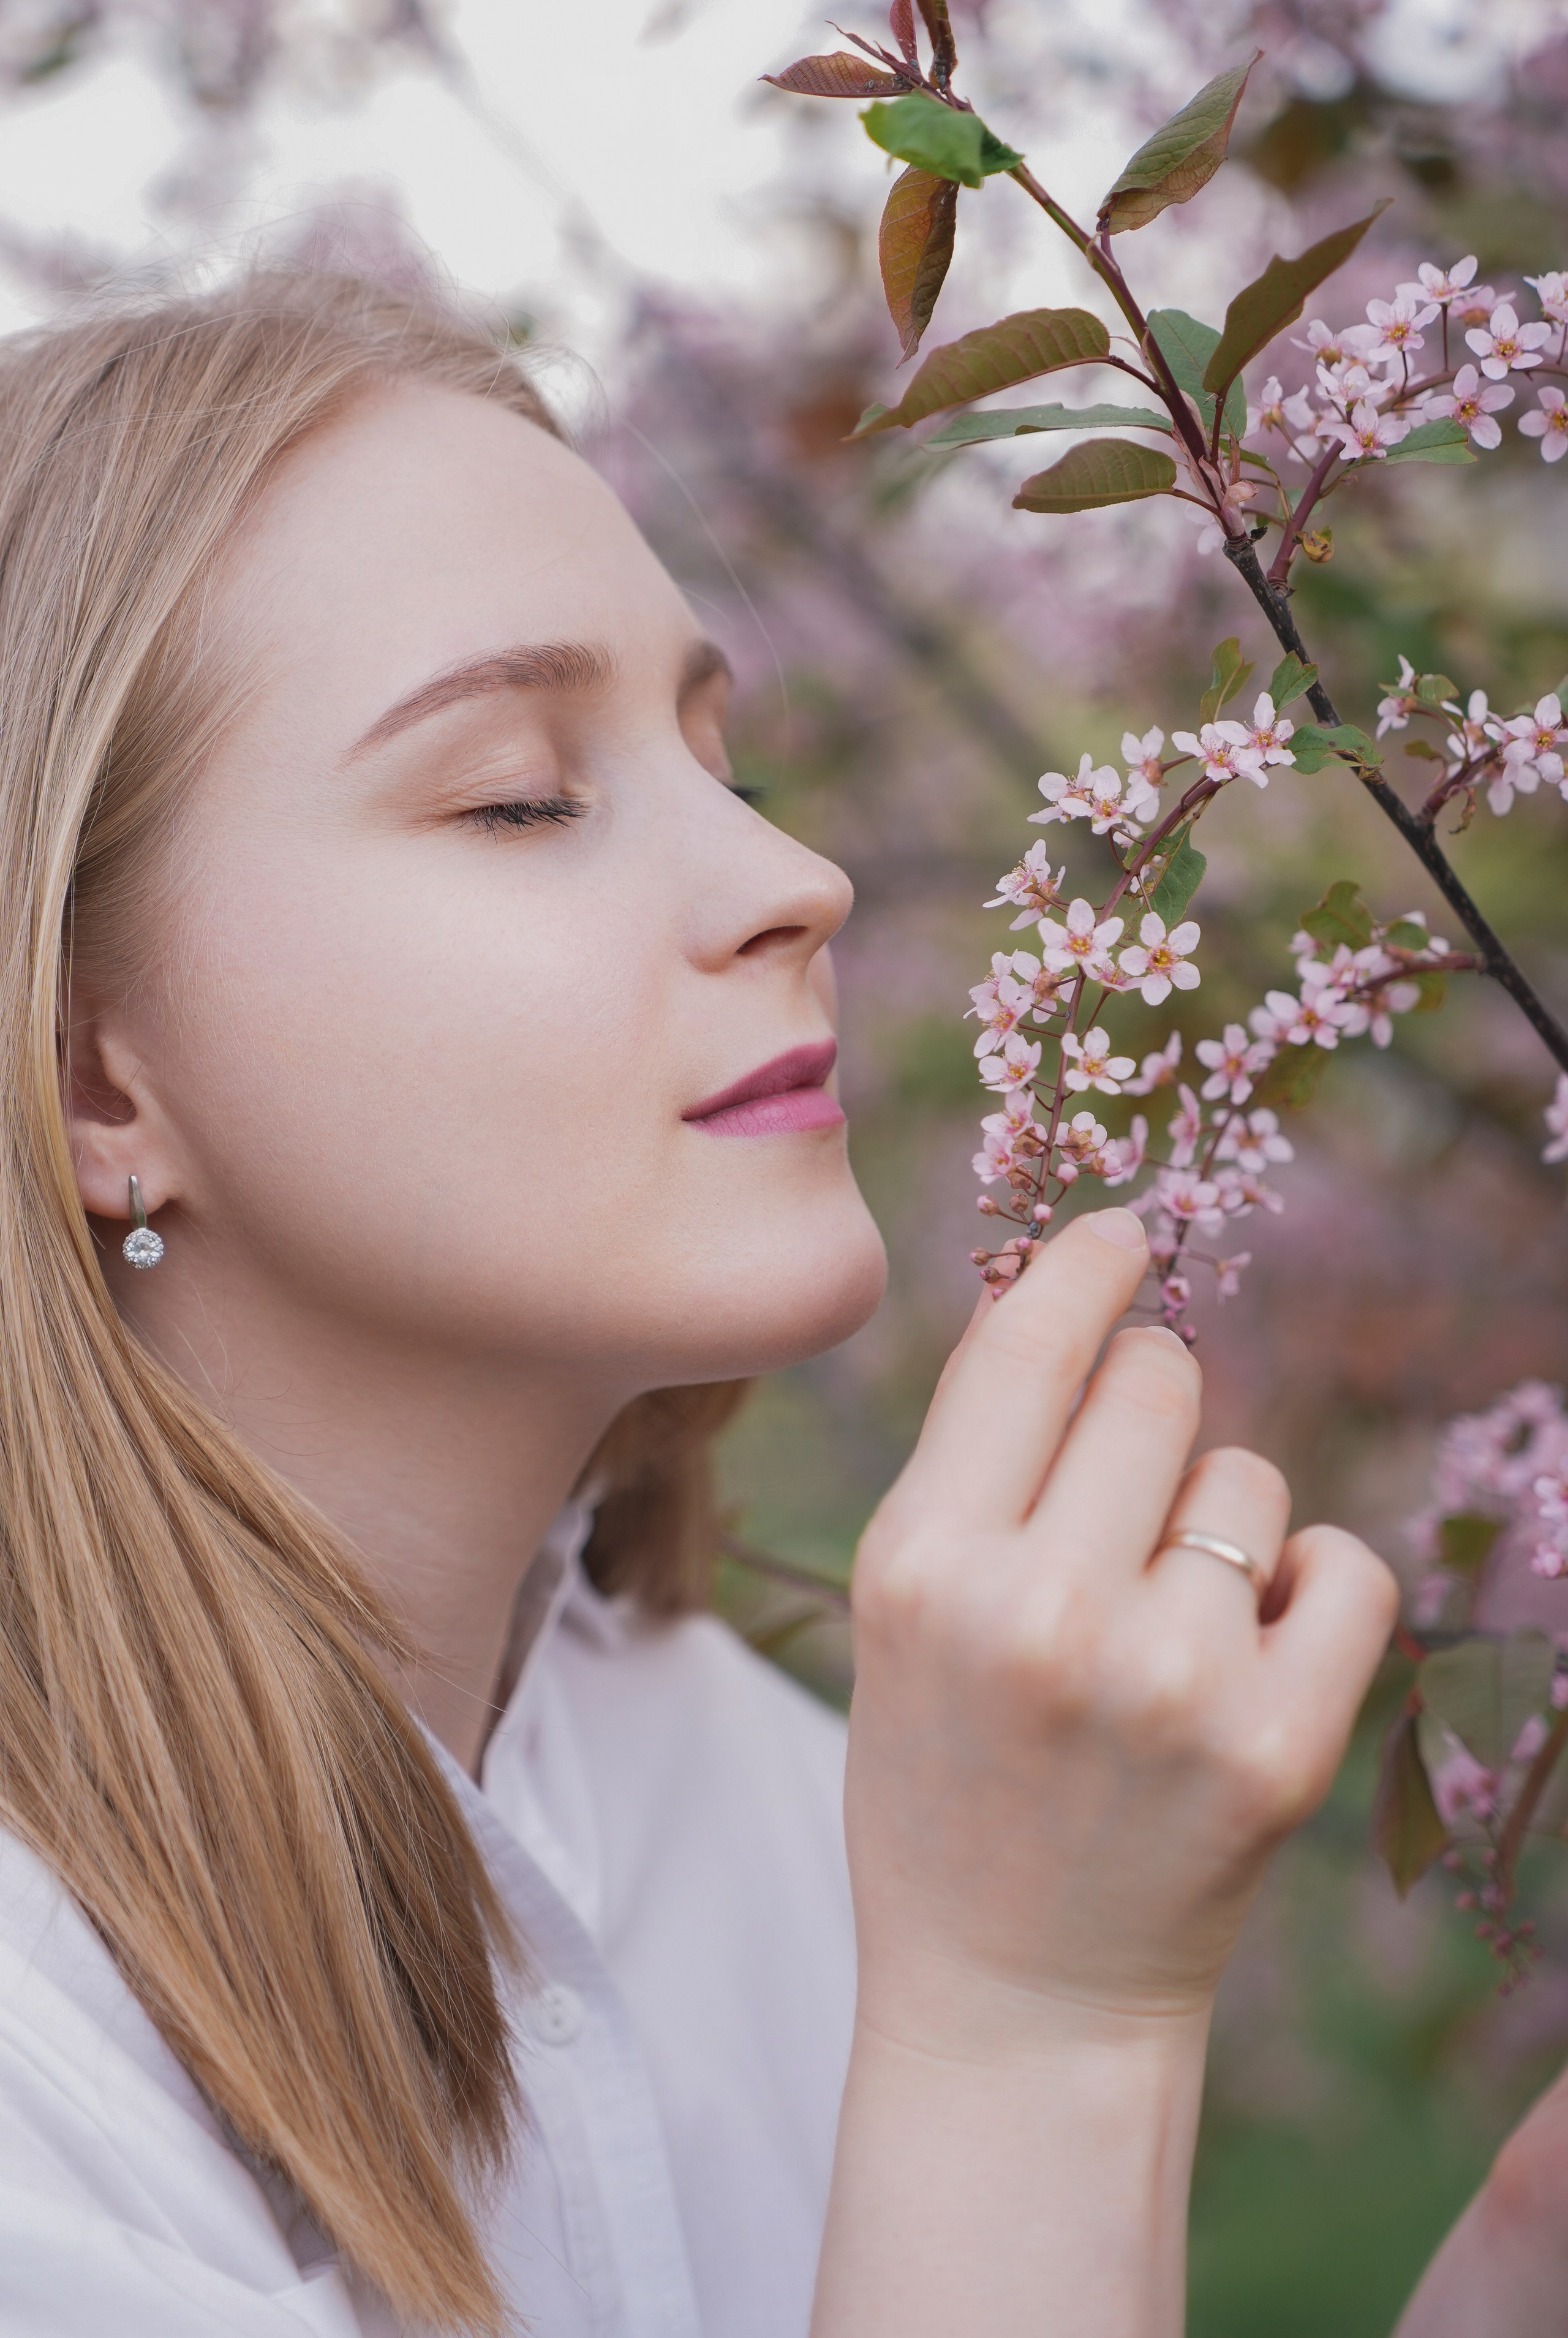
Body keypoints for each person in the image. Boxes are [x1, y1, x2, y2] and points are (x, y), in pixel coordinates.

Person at [0, 267, 1556, 2338]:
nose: (797, 876)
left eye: (719, 756)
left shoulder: (742, 1777)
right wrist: (1033, 2034)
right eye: (519, 795)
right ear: (97, 1076)